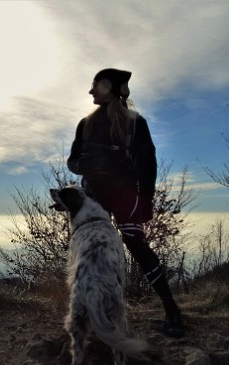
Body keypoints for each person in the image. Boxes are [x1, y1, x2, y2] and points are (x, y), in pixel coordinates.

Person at [66, 68, 185, 337]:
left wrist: (146, 197)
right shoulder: (87, 124)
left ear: (111, 88)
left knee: (124, 247)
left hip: (114, 196)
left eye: (96, 85)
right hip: (109, 196)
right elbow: (73, 162)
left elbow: (148, 163)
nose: (91, 91)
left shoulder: (134, 122)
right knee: (120, 247)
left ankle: (171, 311)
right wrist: (83, 164)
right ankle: (169, 313)